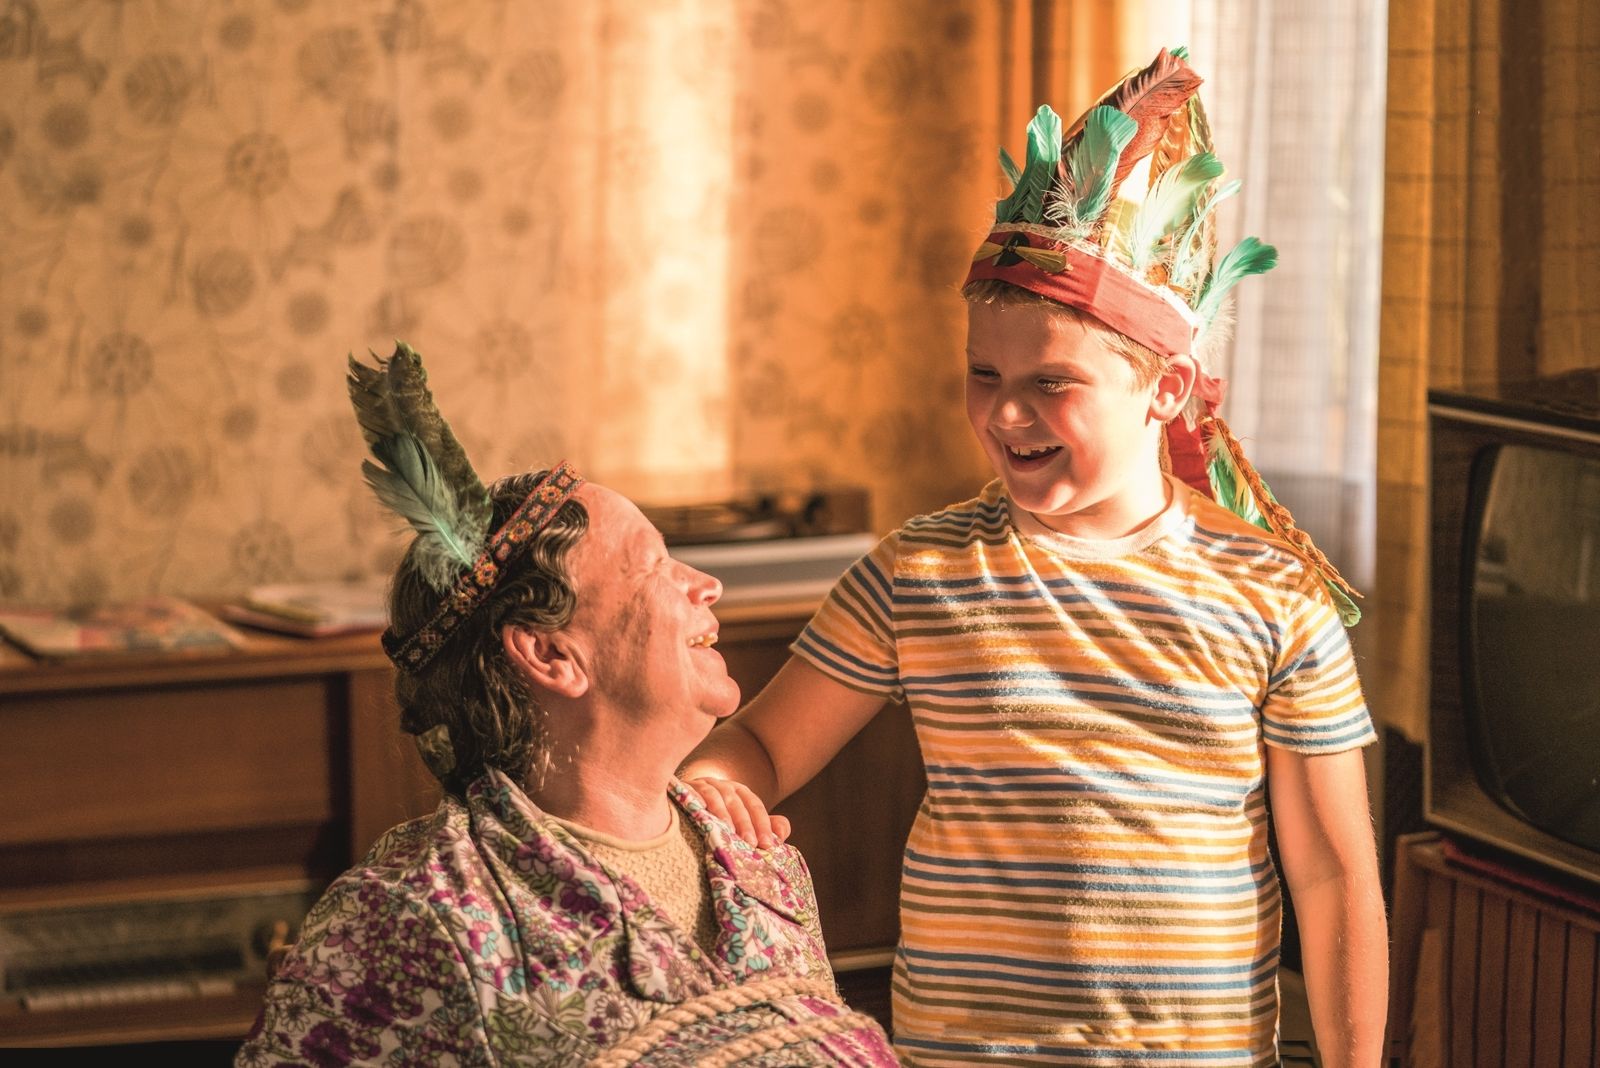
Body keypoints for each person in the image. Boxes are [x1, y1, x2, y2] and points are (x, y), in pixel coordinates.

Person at [681, 48, 1387, 1067]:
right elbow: (765, 747)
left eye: (1051, 383)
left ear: (1166, 389)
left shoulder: (1273, 594)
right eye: (982, 373)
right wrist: (707, 785)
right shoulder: (915, 577)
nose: (1005, 414)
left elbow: (1331, 875)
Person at [236, 344, 899, 1067]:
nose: (705, 584)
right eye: (654, 564)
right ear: (552, 656)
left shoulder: (763, 867)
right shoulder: (413, 918)